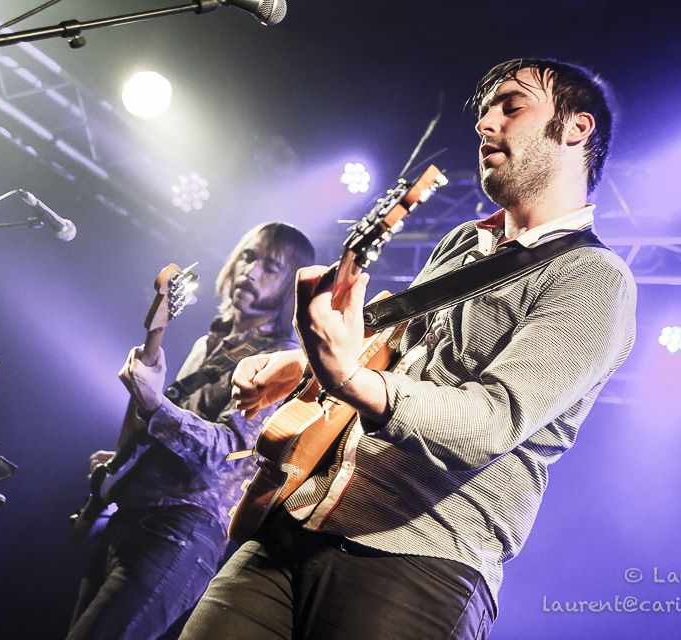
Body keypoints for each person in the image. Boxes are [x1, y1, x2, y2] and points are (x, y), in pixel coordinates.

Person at [176, 58, 639, 640]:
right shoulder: (463, 242)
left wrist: (346, 377)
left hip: (423, 558)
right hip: (300, 514)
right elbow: (394, 349)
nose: (485, 123)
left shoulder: (593, 278)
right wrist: (307, 363)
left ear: (576, 128)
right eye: (485, 111)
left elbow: (489, 423)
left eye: (511, 106)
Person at [66, 222, 316, 640]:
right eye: (248, 256)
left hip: (181, 530)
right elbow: (175, 431)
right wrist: (130, 458)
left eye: (270, 267)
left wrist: (156, 405)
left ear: (289, 286)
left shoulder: (282, 359)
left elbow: (231, 451)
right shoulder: (207, 343)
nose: (250, 270)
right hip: (129, 515)